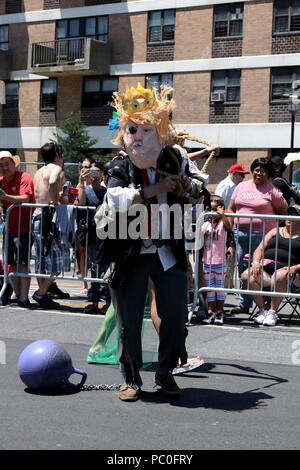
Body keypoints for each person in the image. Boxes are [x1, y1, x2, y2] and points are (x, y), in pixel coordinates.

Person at [96, 82, 206, 402]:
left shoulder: (174, 159)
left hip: (167, 251)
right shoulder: (121, 163)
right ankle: (130, 379)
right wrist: (150, 192)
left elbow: (199, 195)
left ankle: (165, 372)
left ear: (159, 129)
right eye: (133, 130)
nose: (139, 137)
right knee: (129, 319)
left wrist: (186, 187)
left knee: (174, 315)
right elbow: (113, 199)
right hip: (129, 251)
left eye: (147, 129)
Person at [227, 157, 288, 314]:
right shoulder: (241, 186)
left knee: (261, 270)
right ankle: (244, 304)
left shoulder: (272, 191)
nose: (258, 173)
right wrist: (229, 227)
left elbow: (283, 212)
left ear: (268, 174)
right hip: (239, 233)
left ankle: (264, 305)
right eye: (256, 169)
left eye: (263, 171)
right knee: (241, 268)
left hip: (262, 236)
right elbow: (231, 208)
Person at [242, 204, 300, 326]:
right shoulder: (275, 231)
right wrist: (256, 262)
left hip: (292, 274)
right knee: (247, 275)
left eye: (295, 215)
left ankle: (273, 312)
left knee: (279, 275)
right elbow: (259, 249)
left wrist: (294, 268)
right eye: (288, 214)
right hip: (267, 269)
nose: (290, 217)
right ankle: (263, 311)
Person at [32, 142, 71, 309]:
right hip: (49, 217)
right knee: (58, 261)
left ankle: (43, 293)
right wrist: (56, 201)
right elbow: (54, 181)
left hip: (37, 215)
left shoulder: (38, 172)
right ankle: (40, 293)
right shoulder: (55, 169)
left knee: (42, 260)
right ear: (58, 155)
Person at [0, 151, 35, 307]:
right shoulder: (1, 181)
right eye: (1, 165)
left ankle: (23, 297)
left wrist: (6, 197)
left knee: (22, 263)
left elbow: (26, 198)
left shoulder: (24, 177)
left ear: (14, 164)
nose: (4, 168)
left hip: (24, 227)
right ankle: (17, 294)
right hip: (9, 228)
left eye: (7, 164)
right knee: (11, 264)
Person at [77, 161, 108, 314]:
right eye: (92, 173)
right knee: (95, 268)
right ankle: (94, 301)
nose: (95, 177)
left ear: (102, 174)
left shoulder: (107, 191)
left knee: (107, 268)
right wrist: (82, 181)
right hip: (92, 234)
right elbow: (81, 203)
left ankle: (109, 302)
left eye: (97, 173)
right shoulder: (86, 189)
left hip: (107, 234)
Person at [201, 195, 232, 325]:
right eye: (211, 210)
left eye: (216, 210)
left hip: (219, 262)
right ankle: (210, 311)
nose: (213, 214)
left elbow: (228, 227)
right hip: (207, 262)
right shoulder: (206, 224)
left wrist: (222, 215)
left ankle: (219, 311)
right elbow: (200, 234)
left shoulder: (222, 224)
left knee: (219, 289)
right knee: (210, 289)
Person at [76, 157, 95, 295]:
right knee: (82, 253)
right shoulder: (80, 184)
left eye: (87, 166)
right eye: (82, 166)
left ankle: (96, 283)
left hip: (96, 223)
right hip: (83, 222)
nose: (84, 169)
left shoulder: (97, 182)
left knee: (93, 254)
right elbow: (78, 202)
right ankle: (85, 283)